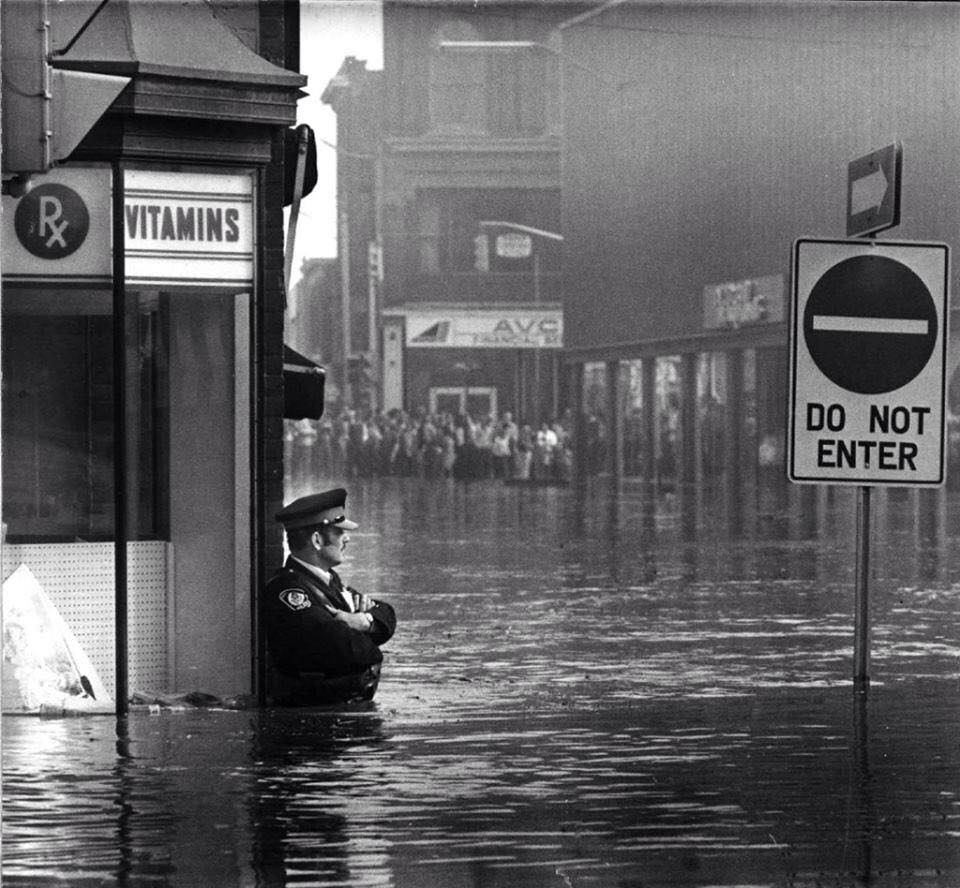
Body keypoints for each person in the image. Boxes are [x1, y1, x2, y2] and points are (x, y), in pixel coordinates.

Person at [263, 488, 397, 705]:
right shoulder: (288, 590)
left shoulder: (329, 582)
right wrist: (366, 635)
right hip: (313, 714)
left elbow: (387, 614)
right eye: (339, 533)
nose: (347, 539)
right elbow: (350, 650)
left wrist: (363, 621)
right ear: (317, 540)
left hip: (345, 707)